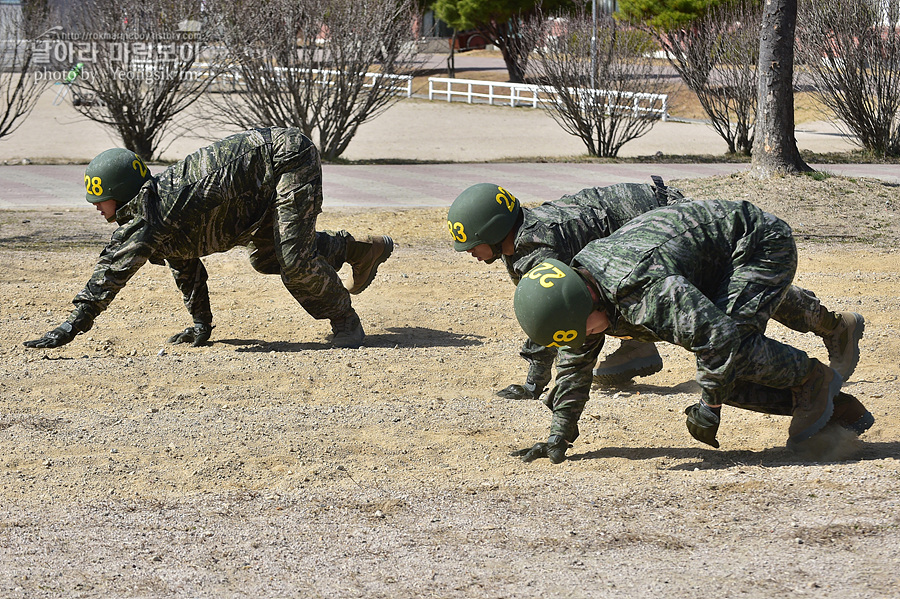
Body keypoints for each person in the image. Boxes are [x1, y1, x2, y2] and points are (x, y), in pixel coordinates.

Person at [511, 199, 872, 464]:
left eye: (581, 331)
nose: (584, 340)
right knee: (721, 373)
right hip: (707, 261)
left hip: (757, 243)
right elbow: (575, 365)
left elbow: (720, 338)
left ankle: (813, 381)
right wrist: (559, 434)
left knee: (732, 354)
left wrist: (709, 405)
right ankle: (840, 411)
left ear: (585, 304)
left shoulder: (642, 290)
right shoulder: (579, 296)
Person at [23, 128, 393, 350]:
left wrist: (71, 326)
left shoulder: (152, 213)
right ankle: (361, 250)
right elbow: (184, 263)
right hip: (257, 185)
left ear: (119, 194)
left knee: (294, 260)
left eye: (98, 199)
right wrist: (202, 324)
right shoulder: (161, 218)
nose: (95, 207)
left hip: (286, 160)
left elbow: (111, 273)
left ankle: (345, 321)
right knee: (266, 258)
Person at [448, 178, 687, 400]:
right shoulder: (520, 237)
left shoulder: (538, 249)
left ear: (494, 231)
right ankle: (637, 347)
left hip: (669, 220)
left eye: (473, 244)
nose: (469, 251)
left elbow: (553, 314)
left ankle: (712, 365)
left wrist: (534, 385)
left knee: (593, 312)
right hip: (656, 211)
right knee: (602, 300)